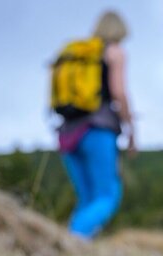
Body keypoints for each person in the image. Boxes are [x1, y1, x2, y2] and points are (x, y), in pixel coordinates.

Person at [51, 10, 135, 240]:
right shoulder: (115, 52)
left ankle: (75, 249)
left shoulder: (77, 54)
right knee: (107, 195)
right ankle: (73, 241)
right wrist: (131, 127)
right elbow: (119, 92)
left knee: (87, 198)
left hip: (67, 132)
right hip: (98, 130)